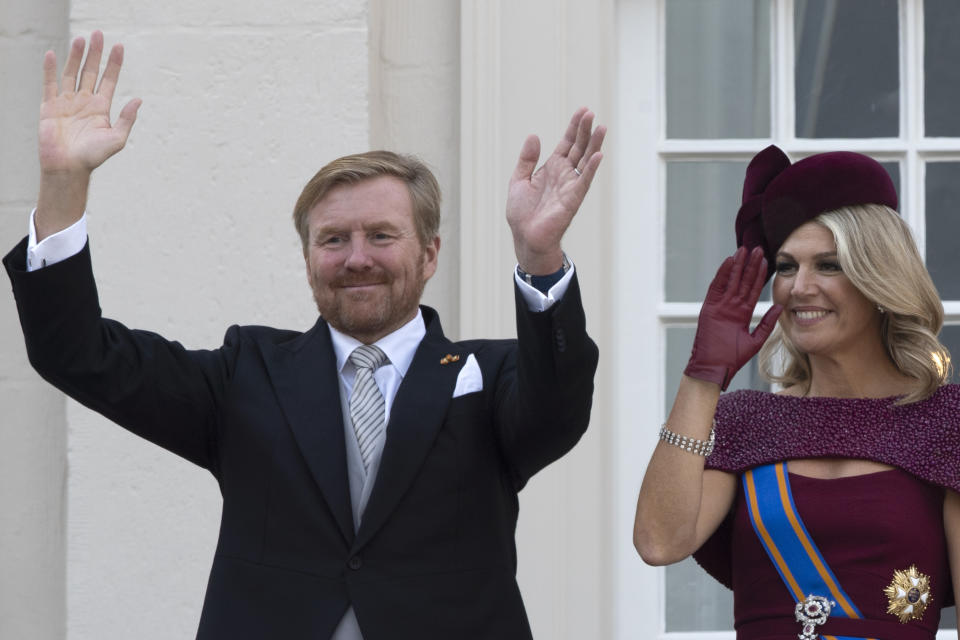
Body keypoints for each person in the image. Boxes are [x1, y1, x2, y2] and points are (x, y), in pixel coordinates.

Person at [4, 32, 604, 639]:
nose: (357, 258)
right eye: (334, 239)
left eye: (382, 236)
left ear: (429, 255)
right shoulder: (247, 373)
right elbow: (76, 353)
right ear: (309, 257)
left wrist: (540, 256)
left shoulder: (493, 376)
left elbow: (558, 410)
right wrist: (63, 186)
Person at [633, 144, 960, 639]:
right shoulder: (747, 420)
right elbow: (660, 542)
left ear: (879, 278)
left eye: (828, 265)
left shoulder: (945, 421)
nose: (798, 288)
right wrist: (703, 374)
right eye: (786, 267)